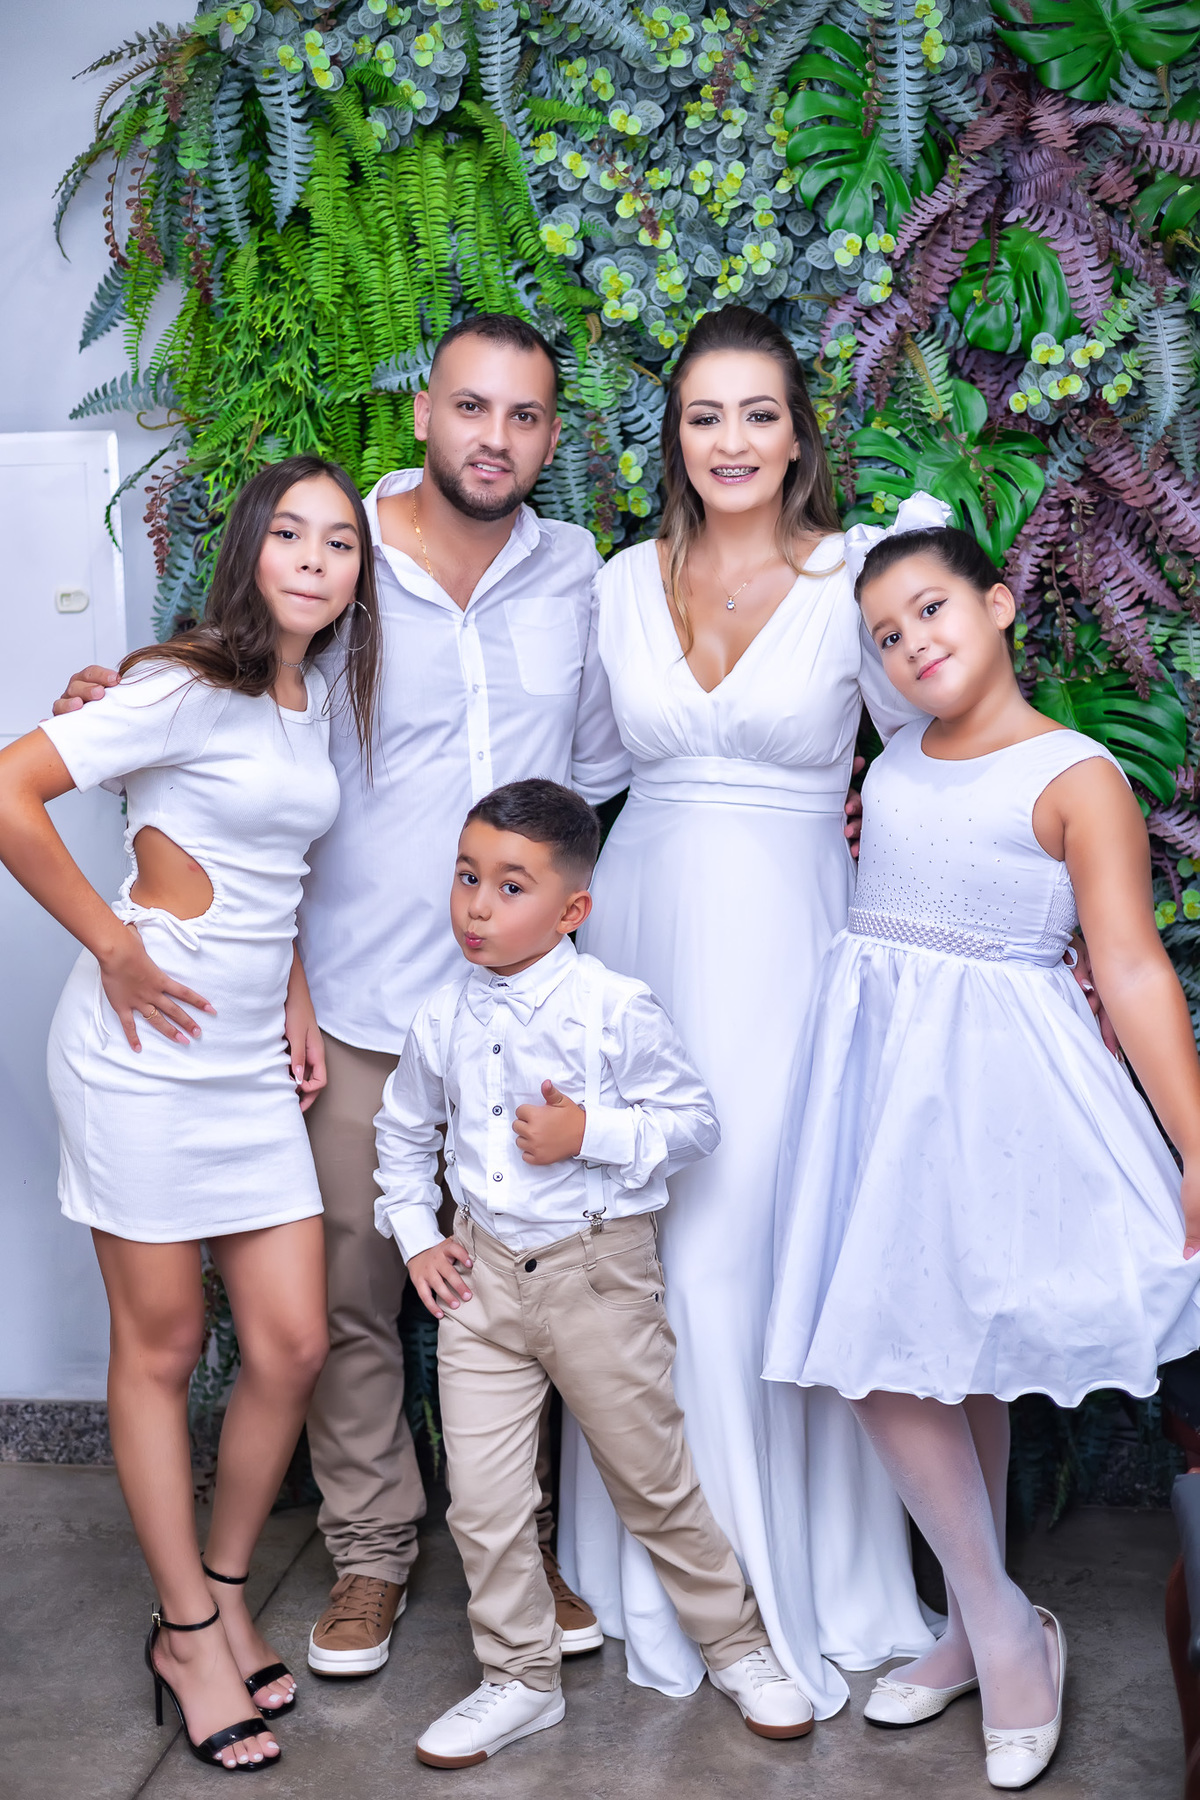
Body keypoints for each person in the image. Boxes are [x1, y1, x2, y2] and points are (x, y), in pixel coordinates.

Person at [55, 314, 626, 1675]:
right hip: (363, 1000)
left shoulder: (578, 574)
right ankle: (370, 1550)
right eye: (471, 407)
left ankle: (522, 1544)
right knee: (350, 1304)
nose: (494, 438)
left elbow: (610, 773)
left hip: (522, 1011)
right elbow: (236, 680)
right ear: (423, 412)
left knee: (530, 1293)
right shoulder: (343, 554)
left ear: (551, 436)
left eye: (525, 416)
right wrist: (127, 692)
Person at [763, 502, 1200, 1789]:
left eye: (932, 611)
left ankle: (1002, 1632)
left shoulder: (1074, 775)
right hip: (875, 1078)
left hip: (989, 1088)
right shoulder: (896, 761)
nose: (913, 645)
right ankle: (986, 1620)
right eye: (887, 637)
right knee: (919, 1350)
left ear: (999, 603)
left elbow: (1129, 964)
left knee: (935, 1346)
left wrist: (1195, 1144)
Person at [557, 304, 933, 1712]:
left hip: (792, 944)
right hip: (640, 938)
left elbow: (939, 742)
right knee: (649, 1250)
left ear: (797, 435)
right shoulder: (616, 583)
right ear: (674, 434)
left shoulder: (857, 578)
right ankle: (671, 1573)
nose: (731, 441)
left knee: (765, 1238)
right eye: (704, 415)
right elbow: (575, 765)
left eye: (758, 414)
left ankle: (801, 1579)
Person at [1, 457, 382, 1770]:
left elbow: (265, 861)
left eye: (340, 541)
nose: (316, 559)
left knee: (289, 1344)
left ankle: (220, 1592)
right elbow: (9, 790)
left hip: (244, 1065)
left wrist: (292, 993)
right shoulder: (180, 685)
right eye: (291, 534)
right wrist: (112, 945)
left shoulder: (311, 699)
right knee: (163, 1345)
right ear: (249, 549)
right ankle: (183, 1631)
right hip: (141, 1062)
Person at [374, 778, 816, 1765]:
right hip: (483, 1282)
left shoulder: (613, 1007)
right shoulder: (441, 1016)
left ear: (572, 908)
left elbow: (695, 1122)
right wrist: (416, 1237)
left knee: (651, 1480)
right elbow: (403, 1133)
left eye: (511, 887)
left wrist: (590, 1133)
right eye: (466, 877)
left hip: (597, 1276)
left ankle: (738, 1648)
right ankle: (518, 1679)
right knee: (484, 1503)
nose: (478, 907)